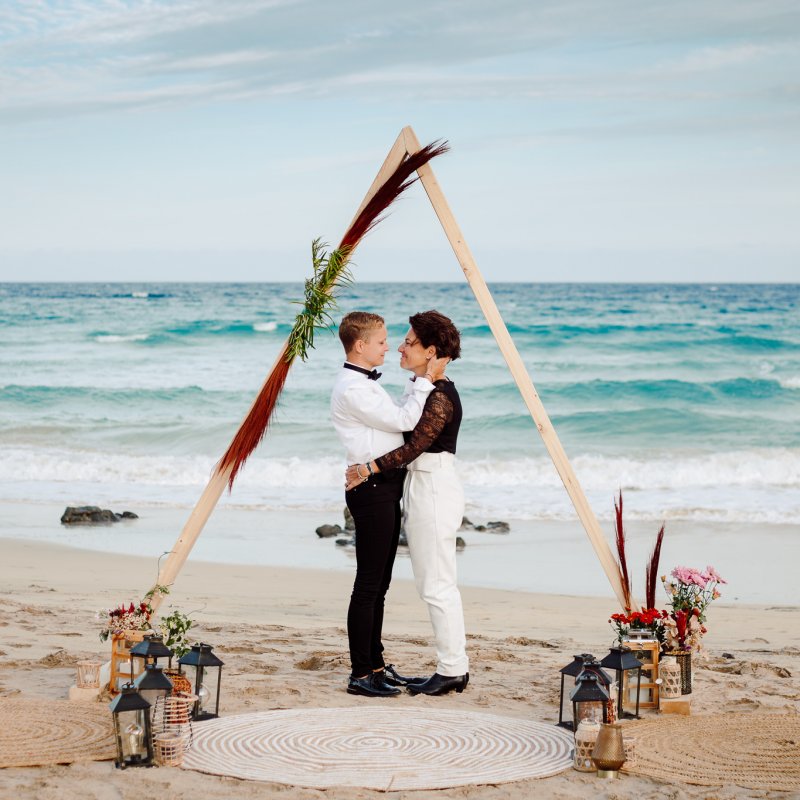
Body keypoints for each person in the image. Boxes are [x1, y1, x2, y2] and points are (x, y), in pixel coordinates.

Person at [346, 310, 468, 696]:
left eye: (410, 342)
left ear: (430, 351)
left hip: (433, 488)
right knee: (432, 581)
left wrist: (369, 468)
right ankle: (451, 665)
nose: (400, 346)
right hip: (421, 486)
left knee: (436, 583)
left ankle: (452, 668)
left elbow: (413, 446)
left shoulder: (439, 395)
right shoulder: (425, 387)